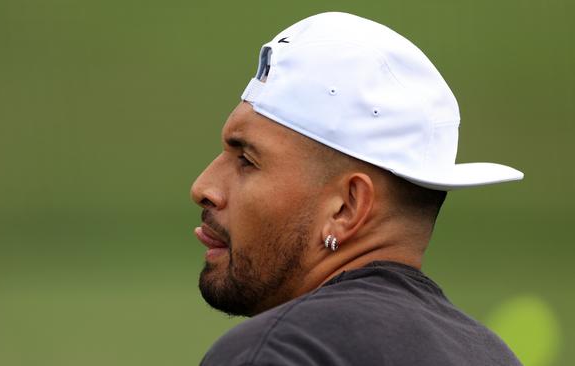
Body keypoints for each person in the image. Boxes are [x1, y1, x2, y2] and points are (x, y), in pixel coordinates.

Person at [190, 12, 523, 366]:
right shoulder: (492, 355)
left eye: (246, 160)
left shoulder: (280, 352)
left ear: (346, 207)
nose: (203, 187)